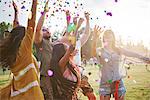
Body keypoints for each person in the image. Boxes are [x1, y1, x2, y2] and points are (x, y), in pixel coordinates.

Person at [0, 0, 44, 100]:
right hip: (32, 97)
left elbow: (15, 30)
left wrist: (16, 13)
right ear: (23, 38)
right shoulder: (24, 51)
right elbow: (31, 23)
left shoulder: (12, 55)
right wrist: (34, 3)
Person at [92, 26, 150, 100]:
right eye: (106, 37)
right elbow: (93, 53)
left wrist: (145, 59)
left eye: (110, 37)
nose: (108, 39)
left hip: (118, 83)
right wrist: (94, 39)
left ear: (113, 38)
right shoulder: (100, 50)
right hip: (105, 84)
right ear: (103, 38)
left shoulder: (118, 50)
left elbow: (132, 54)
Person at [50, 11, 96, 100]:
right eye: (67, 34)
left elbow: (86, 34)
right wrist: (73, 24)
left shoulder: (78, 43)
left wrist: (87, 20)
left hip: (79, 73)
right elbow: (69, 32)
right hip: (67, 75)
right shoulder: (61, 44)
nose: (69, 35)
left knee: (91, 96)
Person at [34, 0, 53, 99]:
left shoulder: (53, 44)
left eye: (48, 29)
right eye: (44, 30)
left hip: (55, 76)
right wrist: (44, 12)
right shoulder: (40, 42)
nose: (47, 30)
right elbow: (38, 29)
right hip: (45, 77)